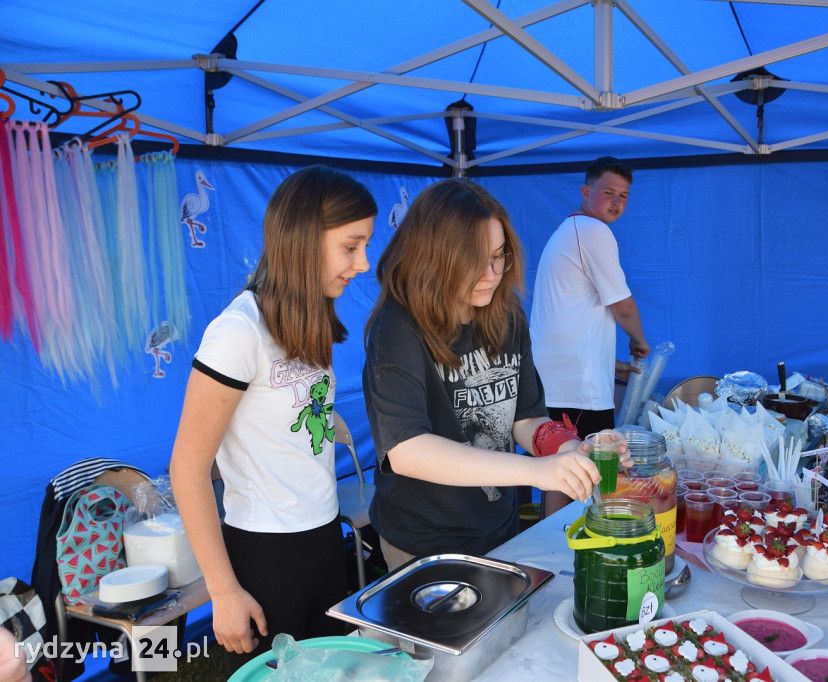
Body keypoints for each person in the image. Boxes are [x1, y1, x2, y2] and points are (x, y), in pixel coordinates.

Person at [169, 166, 376, 667]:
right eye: (351, 247)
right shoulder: (238, 332)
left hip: (324, 535)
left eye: (365, 246)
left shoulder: (311, 318)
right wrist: (224, 592)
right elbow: (188, 469)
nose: (364, 264)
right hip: (265, 554)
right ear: (304, 239)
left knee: (331, 673)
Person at [363, 179, 625, 570]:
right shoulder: (398, 327)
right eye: (475, 261)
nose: (492, 273)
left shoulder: (505, 313)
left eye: (499, 256)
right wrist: (537, 471)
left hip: (498, 527)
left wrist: (570, 449)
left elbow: (526, 418)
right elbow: (407, 451)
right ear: (436, 257)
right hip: (424, 540)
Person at [530, 156, 650, 514]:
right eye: (609, 192)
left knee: (561, 467)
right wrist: (639, 341)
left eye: (624, 196)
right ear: (586, 191)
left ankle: (554, 537)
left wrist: (608, 364)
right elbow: (622, 305)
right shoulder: (592, 231)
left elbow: (572, 318)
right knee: (582, 470)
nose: (617, 202)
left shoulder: (570, 231)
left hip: (558, 378)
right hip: (575, 388)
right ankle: (562, 539)